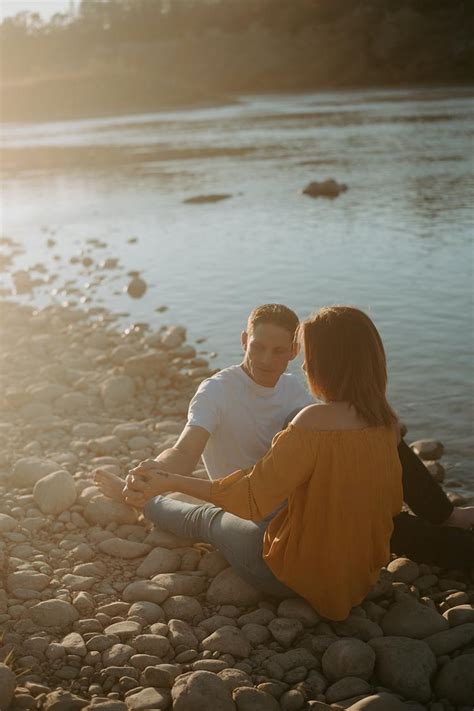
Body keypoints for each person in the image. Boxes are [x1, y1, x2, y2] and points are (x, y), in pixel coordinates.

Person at [96, 303, 474, 571]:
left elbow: (334, 445)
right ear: (244, 340)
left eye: (280, 351)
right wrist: (156, 474)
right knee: (204, 519)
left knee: (382, 513)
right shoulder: (217, 391)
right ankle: (144, 500)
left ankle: (446, 517)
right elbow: (186, 451)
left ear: (295, 352)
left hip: (301, 508)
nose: (265, 358)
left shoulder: (299, 395)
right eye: (257, 346)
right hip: (249, 508)